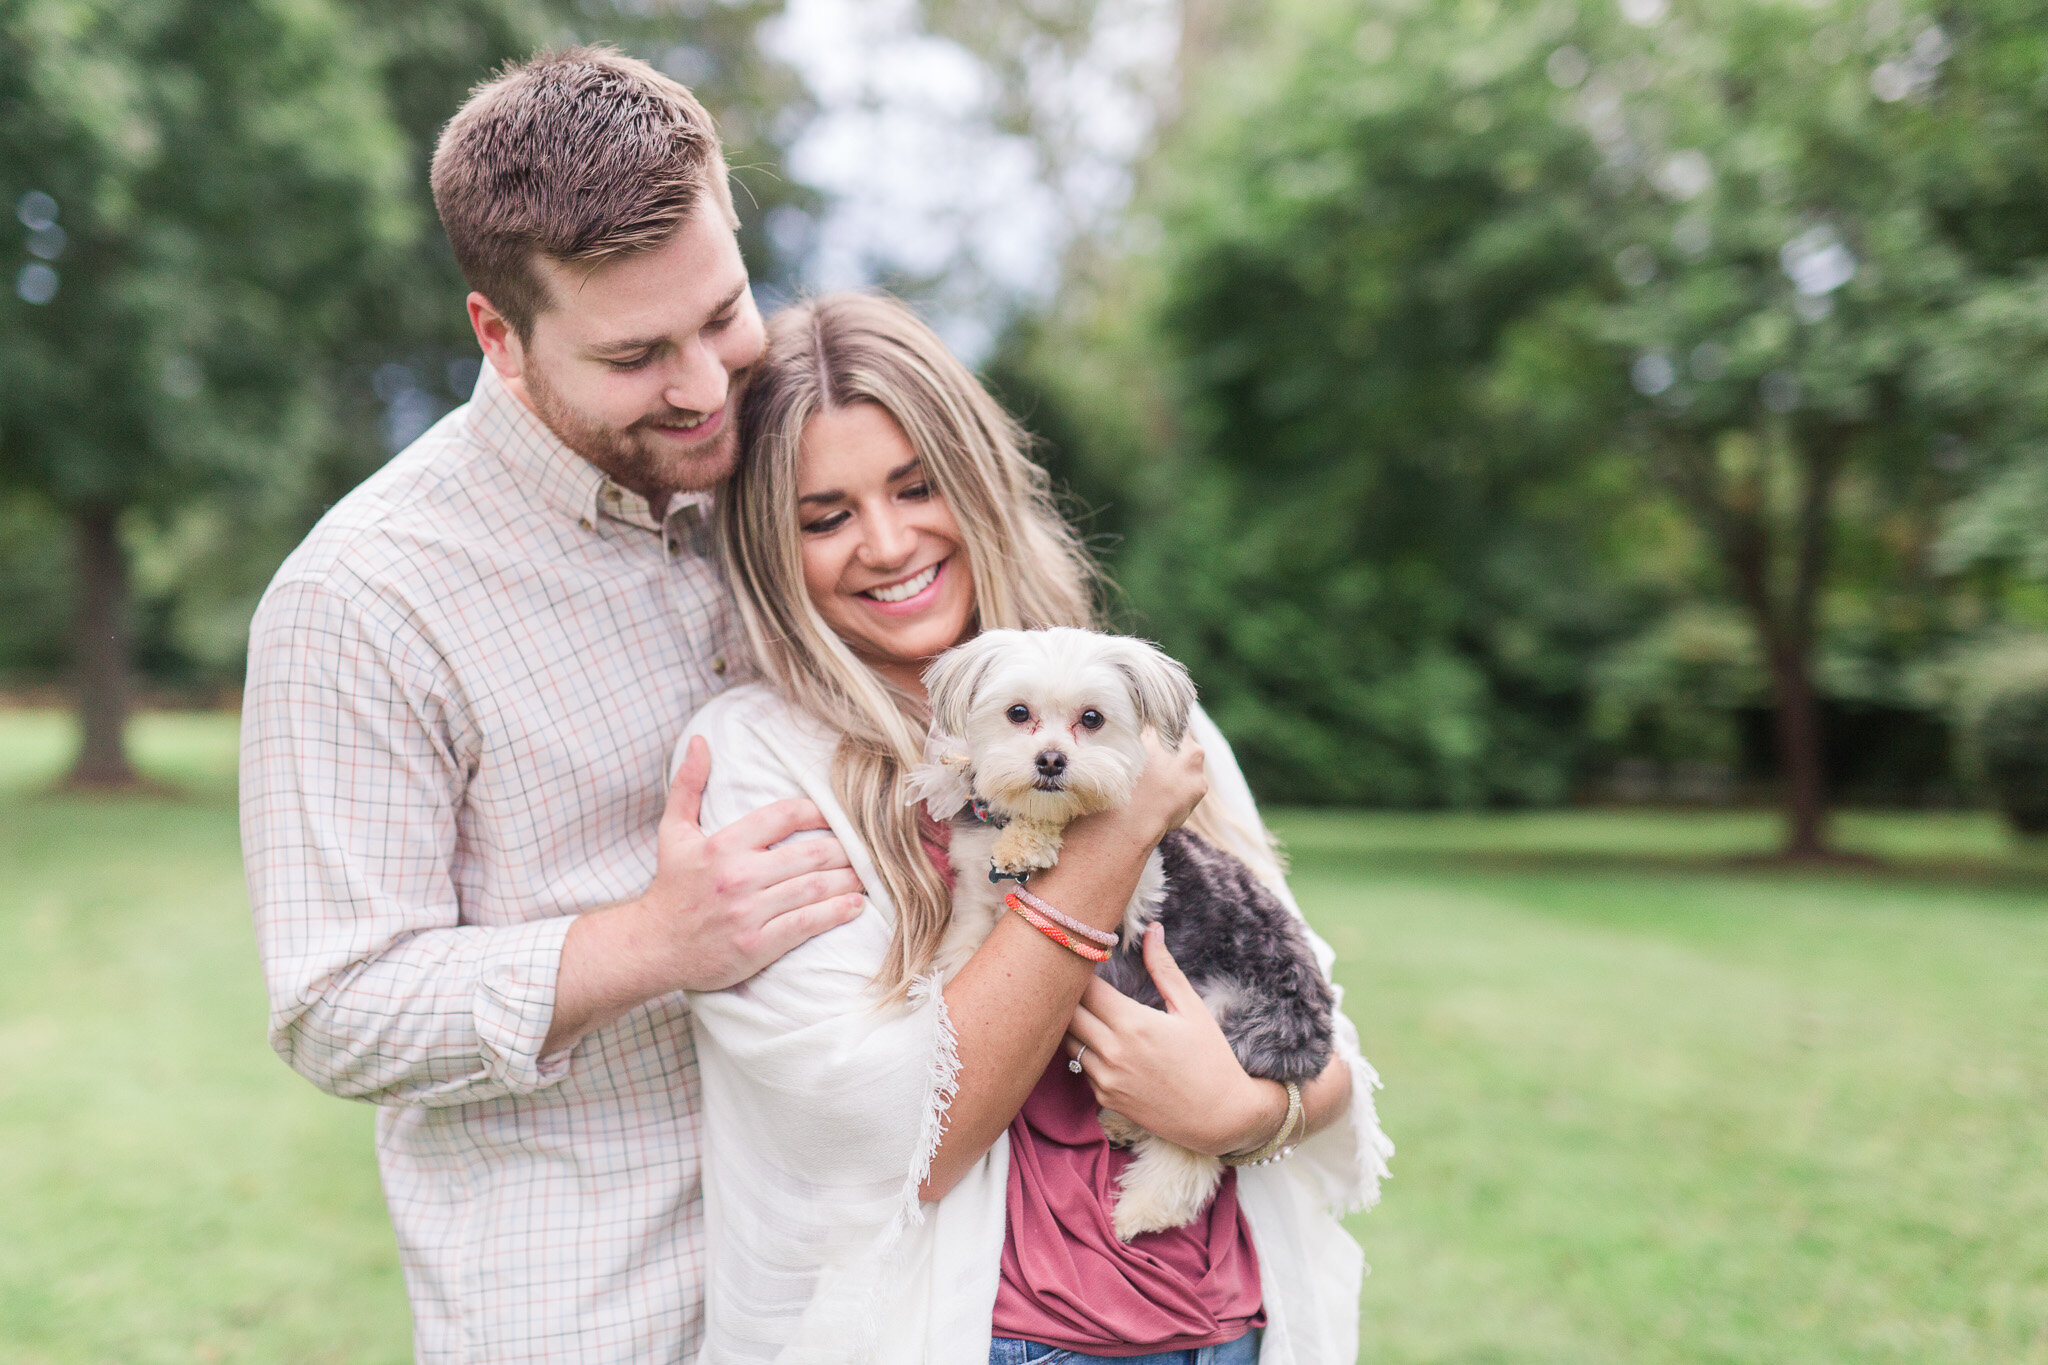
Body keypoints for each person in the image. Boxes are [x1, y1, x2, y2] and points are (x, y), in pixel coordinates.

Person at [240, 49, 881, 1361]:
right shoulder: (360, 599)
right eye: (638, 354)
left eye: (724, 311)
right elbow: (333, 1002)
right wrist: (653, 939)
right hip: (588, 1304)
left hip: (848, 1267)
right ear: (499, 336)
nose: (706, 385)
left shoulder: (774, 466)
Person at [677, 291, 1392, 1363]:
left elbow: (1320, 1043)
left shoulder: (1142, 712)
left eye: (918, 488)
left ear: (977, 480)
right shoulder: (765, 760)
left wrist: (1240, 1112)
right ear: (773, 546)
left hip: (1225, 1323)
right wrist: (1113, 838)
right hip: (996, 1333)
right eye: (824, 516)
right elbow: (892, 1142)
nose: (885, 542)